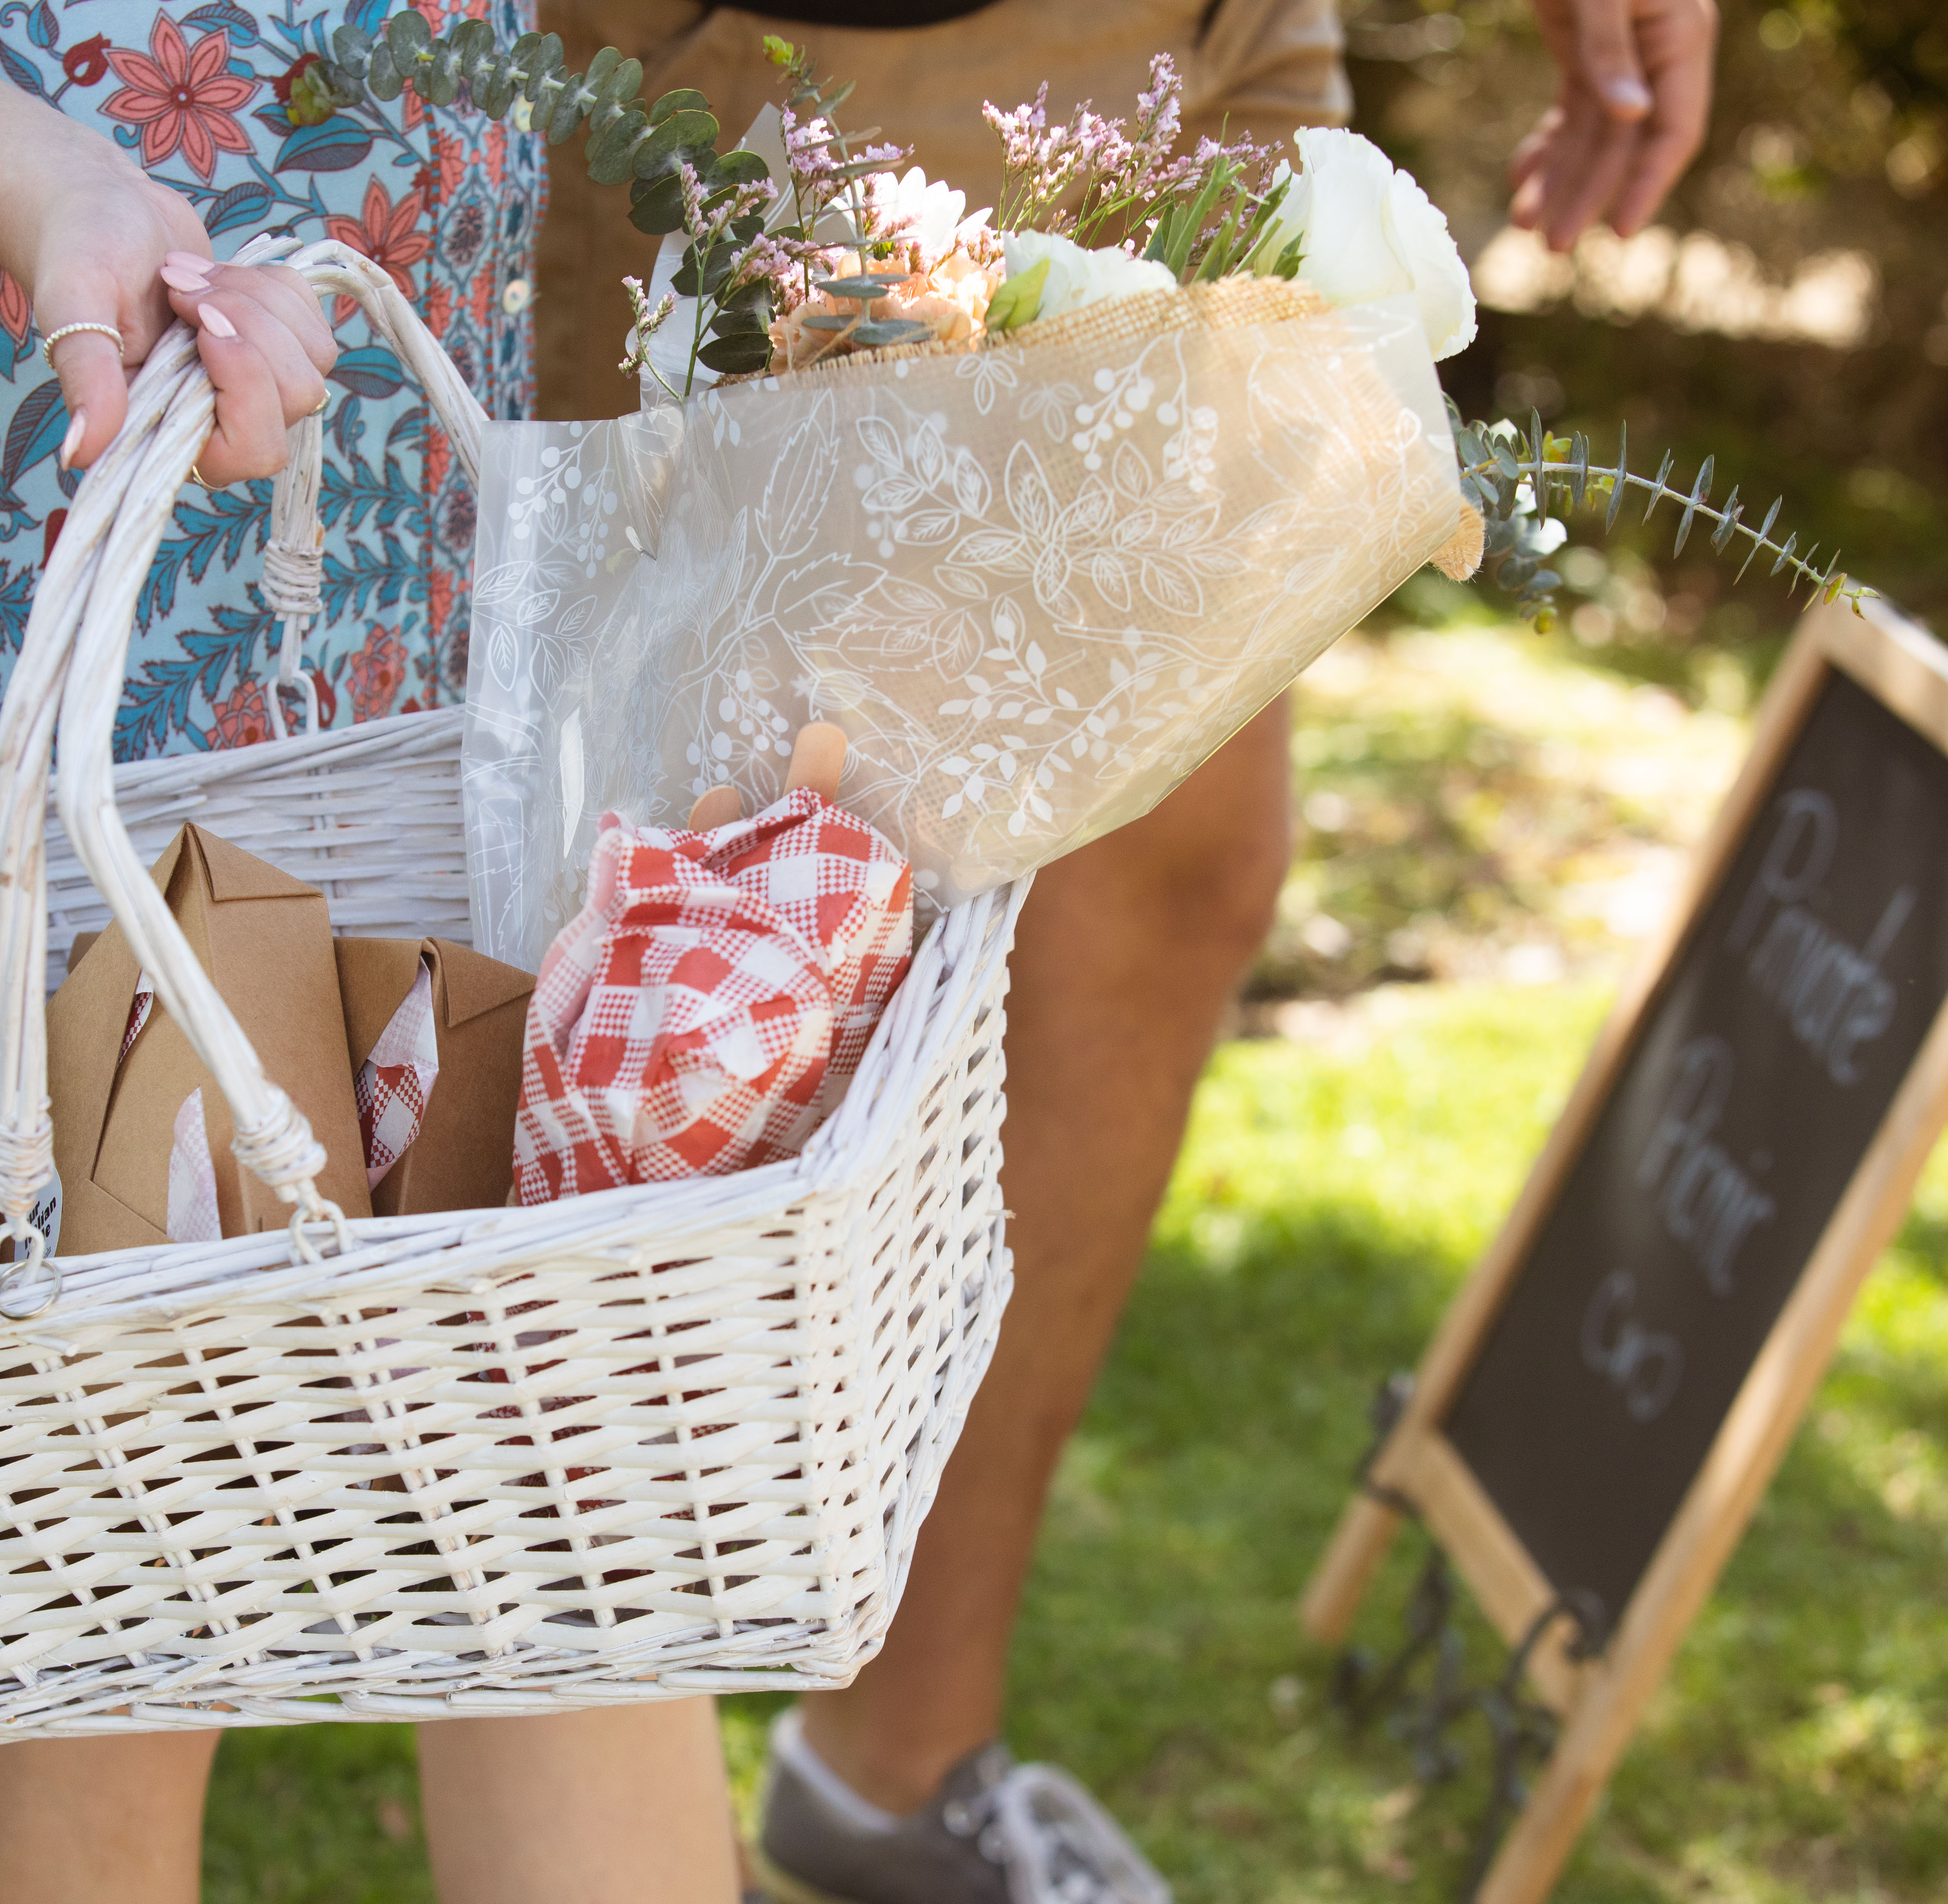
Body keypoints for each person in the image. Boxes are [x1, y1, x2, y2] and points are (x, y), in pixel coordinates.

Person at [0, 2, 738, 1900]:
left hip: (419, 523)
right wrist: (58, 186)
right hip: (22, 515)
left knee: (564, 1482)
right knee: (83, 1568)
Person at [530, 1, 1718, 1900]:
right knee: (748, 848)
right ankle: (599, 1767)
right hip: (860, 40)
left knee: (1179, 839)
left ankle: (896, 1771)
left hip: (1208, 24)